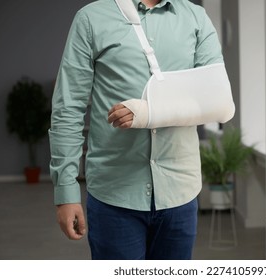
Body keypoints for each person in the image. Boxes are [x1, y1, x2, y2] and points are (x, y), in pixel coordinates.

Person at [49, 0, 226, 260]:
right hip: (114, 194)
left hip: (180, 193)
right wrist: (65, 190)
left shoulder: (196, 18)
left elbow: (216, 100)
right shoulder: (91, 19)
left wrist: (147, 113)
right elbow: (68, 108)